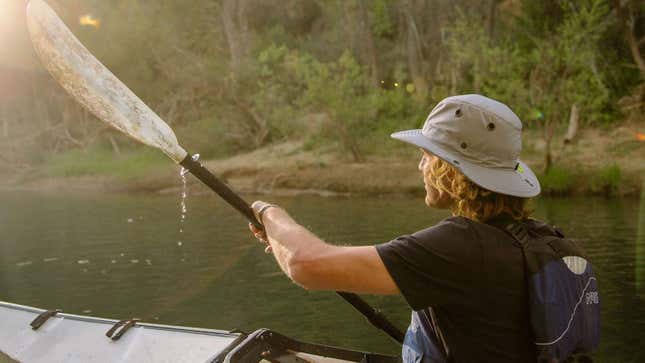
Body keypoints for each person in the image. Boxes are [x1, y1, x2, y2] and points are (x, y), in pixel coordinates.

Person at [249, 94, 543, 362]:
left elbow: (306, 264)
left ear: (450, 168)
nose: (420, 166)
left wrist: (269, 212)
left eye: (427, 155)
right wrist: (279, 239)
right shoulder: (534, 237)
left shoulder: (460, 246)